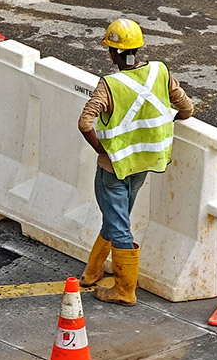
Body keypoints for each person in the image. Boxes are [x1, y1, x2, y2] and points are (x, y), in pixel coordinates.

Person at [77, 18, 195, 305]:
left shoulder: (109, 85)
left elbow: (85, 123)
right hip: (144, 164)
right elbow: (187, 109)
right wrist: (165, 123)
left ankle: (125, 289)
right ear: (139, 49)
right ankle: (92, 272)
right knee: (117, 217)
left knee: (118, 224)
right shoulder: (159, 72)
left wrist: (101, 151)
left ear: (112, 53)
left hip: (113, 168)